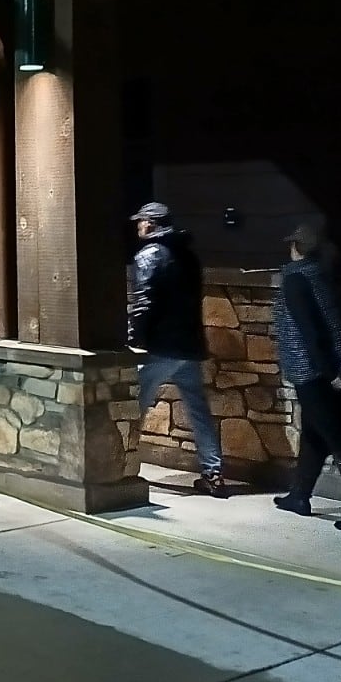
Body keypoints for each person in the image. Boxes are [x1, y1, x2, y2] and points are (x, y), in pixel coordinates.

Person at [271, 222, 341, 534]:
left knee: (336, 439)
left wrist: (330, 373)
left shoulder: (296, 279)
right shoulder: (330, 276)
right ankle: (299, 495)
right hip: (340, 367)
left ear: (297, 248)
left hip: (317, 372)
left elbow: (311, 331)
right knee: (314, 433)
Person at [128, 202, 228, 498]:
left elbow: (144, 302)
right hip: (188, 346)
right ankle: (214, 473)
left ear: (150, 223)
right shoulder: (189, 256)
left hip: (160, 346)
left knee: (134, 405)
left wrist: (135, 340)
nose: (137, 226)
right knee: (198, 410)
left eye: (141, 221)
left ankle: (121, 465)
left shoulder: (149, 255)